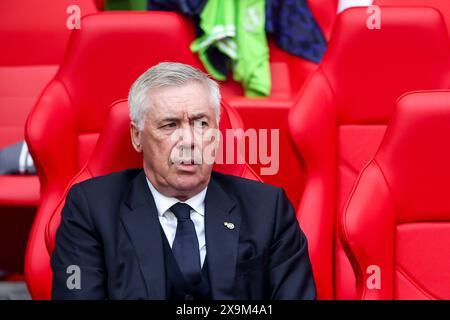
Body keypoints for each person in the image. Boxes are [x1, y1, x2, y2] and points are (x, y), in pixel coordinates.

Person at [51, 62, 316, 300]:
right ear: (137, 136)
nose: (189, 141)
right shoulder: (90, 209)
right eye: (170, 125)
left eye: (202, 123)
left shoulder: (268, 208)